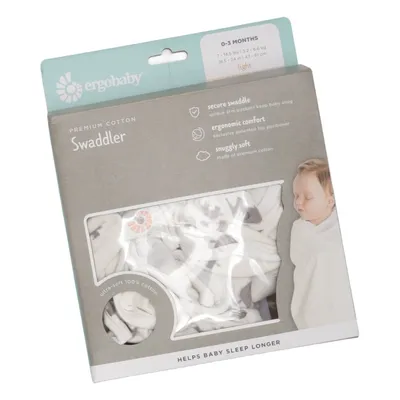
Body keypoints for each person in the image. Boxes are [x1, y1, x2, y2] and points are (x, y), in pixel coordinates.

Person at [290, 158, 355, 329]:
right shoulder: (299, 229)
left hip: (341, 309)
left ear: (330, 201)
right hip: (311, 309)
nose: (298, 202)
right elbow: (302, 261)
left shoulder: (339, 228)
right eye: (296, 195)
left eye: (308, 197)